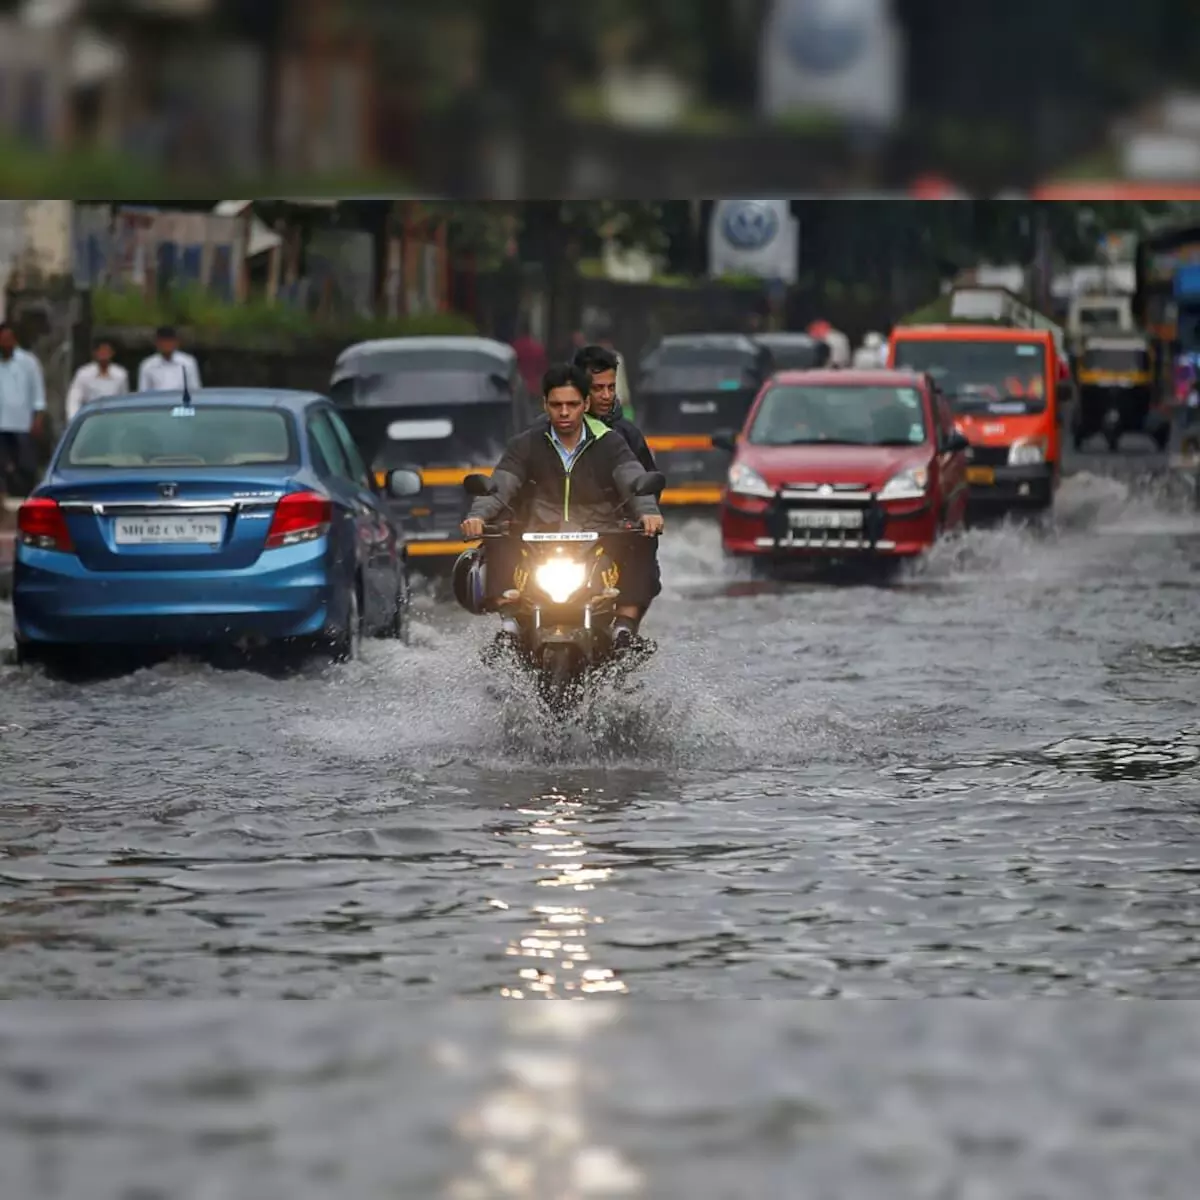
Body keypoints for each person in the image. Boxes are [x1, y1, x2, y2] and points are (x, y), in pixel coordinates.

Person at [460, 362, 663, 649]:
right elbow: (501, 485)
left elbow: (633, 479)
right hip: (537, 542)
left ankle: (624, 629)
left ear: (586, 404)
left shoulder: (610, 443)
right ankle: (508, 626)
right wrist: (477, 516)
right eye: (556, 405)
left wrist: (648, 513)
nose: (564, 412)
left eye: (572, 404)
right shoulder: (526, 444)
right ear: (545, 404)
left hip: (598, 539)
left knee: (642, 541)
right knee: (498, 535)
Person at [0, 322, 47, 500]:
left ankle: (27, 498)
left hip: (22, 422)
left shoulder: (28, 362)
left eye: (8, 339)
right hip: (1, 424)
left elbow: (38, 393)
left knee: (25, 466)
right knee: (3, 466)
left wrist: (38, 418)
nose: (5, 343)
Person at [65, 337, 130, 421]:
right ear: (95, 353)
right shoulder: (83, 374)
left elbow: (124, 400)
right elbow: (74, 399)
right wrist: (74, 419)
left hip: (113, 419)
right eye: (101, 351)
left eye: (107, 351)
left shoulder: (121, 374)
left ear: (112, 353)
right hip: (90, 418)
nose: (104, 354)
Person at [137, 325, 202, 393]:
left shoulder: (188, 362)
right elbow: (143, 392)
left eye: (169, 341)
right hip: (157, 402)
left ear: (176, 342)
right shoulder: (147, 365)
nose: (166, 345)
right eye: (163, 341)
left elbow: (195, 389)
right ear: (157, 343)